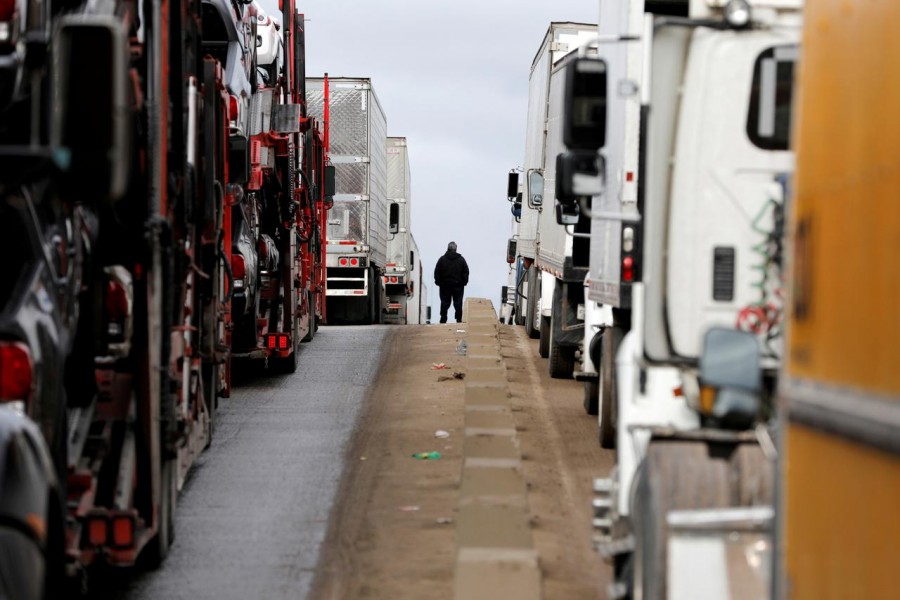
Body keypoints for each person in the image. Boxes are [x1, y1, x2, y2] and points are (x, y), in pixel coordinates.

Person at [434, 241, 469, 323]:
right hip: (458, 285)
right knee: (458, 302)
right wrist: (464, 282)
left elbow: (437, 272)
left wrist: (438, 282)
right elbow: (466, 271)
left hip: (445, 285)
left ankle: (443, 318)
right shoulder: (461, 259)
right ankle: (458, 318)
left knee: (444, 302)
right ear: (456, 249)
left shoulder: (442, 259)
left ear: (448, 248)